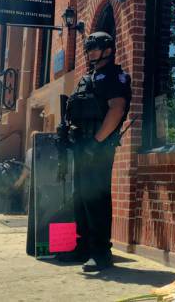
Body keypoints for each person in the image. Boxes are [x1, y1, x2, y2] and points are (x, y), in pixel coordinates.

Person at [59, 32, 131, 272]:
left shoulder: (113, 76)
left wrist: (96, 142)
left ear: (108, 49)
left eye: (95, 48)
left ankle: (101, 254)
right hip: (81, 145)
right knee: (80, 197)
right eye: (88, 48)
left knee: (96, 200)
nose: (90, 52)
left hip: (97, 148)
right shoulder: (88, 77)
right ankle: (82, 249)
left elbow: (117, 109)